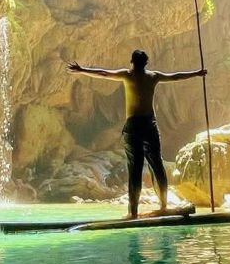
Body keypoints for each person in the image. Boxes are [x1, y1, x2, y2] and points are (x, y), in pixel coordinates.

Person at [66, 50, 206, 218]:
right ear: (146, 63)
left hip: (134, 126)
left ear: (131, 61)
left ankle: (133, 213)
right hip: (149, 125)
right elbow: (175, 76)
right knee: (157, 166)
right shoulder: (153, 76)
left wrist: (82, 70)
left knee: (135, 169)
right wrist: (197, 73)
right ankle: (163, 206)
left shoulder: (127, 75)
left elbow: (103, 73)